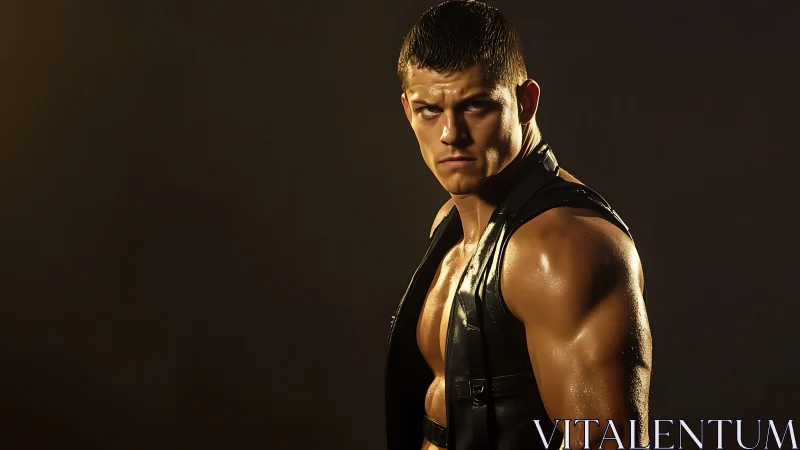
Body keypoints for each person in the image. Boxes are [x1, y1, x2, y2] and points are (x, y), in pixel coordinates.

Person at [384, 1, 653, 450]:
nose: (451, 133)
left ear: (524, 102)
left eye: (475, 107)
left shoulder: (563, 249)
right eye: (430, 110)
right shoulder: (453, 222)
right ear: (409, 111)